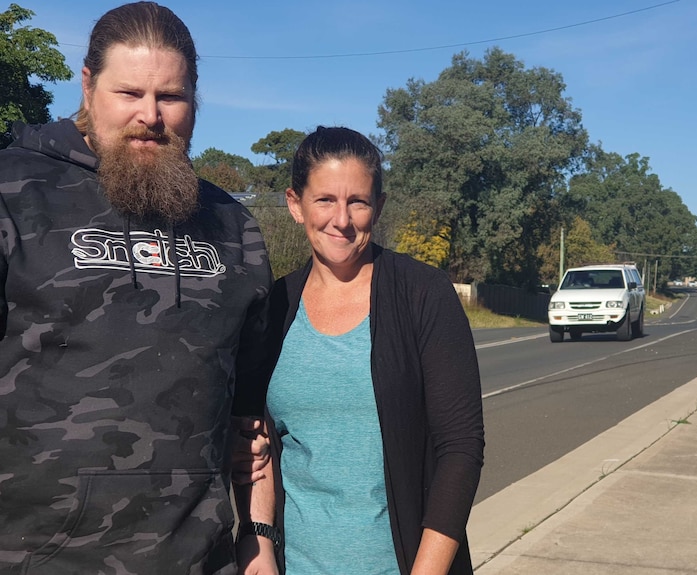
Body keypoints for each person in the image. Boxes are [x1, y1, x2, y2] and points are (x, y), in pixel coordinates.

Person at [0, 3, 273, 573]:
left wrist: (260, 540)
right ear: (87, 84)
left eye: (170, 97)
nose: (150, 115)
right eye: (129, 93)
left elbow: (249, 419)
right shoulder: (14, 192)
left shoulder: (233, 227)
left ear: (194, 99)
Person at [236, 127, 485, 575]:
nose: (342, 219)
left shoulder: (423, 294)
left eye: (358, 201)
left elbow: (461, 449)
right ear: (296, 204)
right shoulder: (272, 307)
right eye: (325, 200)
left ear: (379, 206)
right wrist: (260, 542)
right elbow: (258, 442)